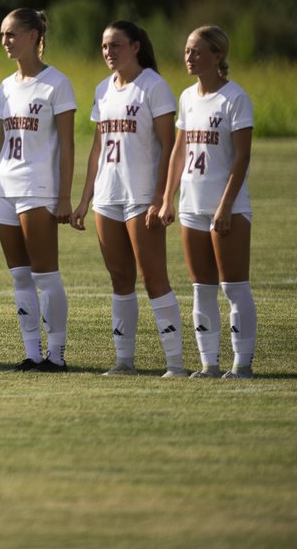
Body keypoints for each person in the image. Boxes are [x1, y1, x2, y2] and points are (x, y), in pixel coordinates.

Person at [71, 22, 186, 377]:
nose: (109, 52)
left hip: (141, 196)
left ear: (136, 47)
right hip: (108, 195)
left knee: (153, 278)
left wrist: (160, 196)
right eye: (105, 46)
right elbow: (97, 148)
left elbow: (169, 146)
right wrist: (84, 199)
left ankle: (175, 363)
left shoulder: (154, 86)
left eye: (116, 45)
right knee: (120, 278)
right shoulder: (103, 89)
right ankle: (124, 361)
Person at [0, 8, 76, 372]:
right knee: (20, 275)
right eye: (2, 35)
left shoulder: (56, 83)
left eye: (11, 34)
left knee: (45, 274)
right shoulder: (6, 86)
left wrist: (64, 196)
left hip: (38, 188)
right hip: (4, 188)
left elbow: (68, 144)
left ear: (33, 36)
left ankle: (56, 355)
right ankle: (32, 353)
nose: (5, 41)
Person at [159, 25, 256, 379]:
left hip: (226, 207)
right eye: (187, 50)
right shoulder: (187, 97)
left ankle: (241, 365)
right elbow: (178, 152)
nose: (189, 56)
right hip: (192, 206)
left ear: (218, 55)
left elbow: (242, 157)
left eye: (197, 51)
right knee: (201, 288)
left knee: (233, 286)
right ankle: (209, 364)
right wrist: (168, 199)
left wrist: (226, 206)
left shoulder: (235, 98)